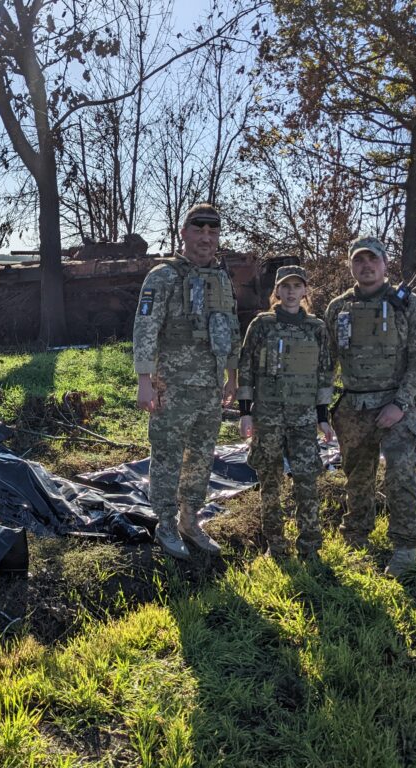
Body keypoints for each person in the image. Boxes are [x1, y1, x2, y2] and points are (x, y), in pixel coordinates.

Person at [133, 203, 241, 559]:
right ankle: (165, 523)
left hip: (210, 387)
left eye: (213, 231)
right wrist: (145, 379)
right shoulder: (163, 276)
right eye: (199, 229)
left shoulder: (221, 278)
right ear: (184, 233)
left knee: (201, 456)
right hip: (172, 386)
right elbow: (146, 327)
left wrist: (232, 376)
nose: (206, 237)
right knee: (167, 455)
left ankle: (190, 520)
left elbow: (231, 327)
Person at [324, 236, 416, 577]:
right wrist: (320, 408)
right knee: (357, 476)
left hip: (394, 404)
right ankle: (357, 536)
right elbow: (327, 362)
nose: (366, 266)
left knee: (401, 471)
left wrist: (400, 403)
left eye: (373, 259)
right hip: (353, 405)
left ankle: (406, 546)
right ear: (350, 266)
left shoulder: (408, 304)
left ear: (385, 264)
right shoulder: (338, 308)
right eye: (359, 260)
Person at [237, 266, 334, 560]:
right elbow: (246, 367)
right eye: (286, 286)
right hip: (267, 417)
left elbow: (324, 373)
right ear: (277, 291)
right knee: (270, 483)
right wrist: (245, 412)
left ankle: (310, 547)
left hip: (303, 419)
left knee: (307, 481)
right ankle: (276, 545)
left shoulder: (316, 328)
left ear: (305, 291)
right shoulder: (262, 325)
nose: (291, 292)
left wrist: (323, 417)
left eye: (297, 286)